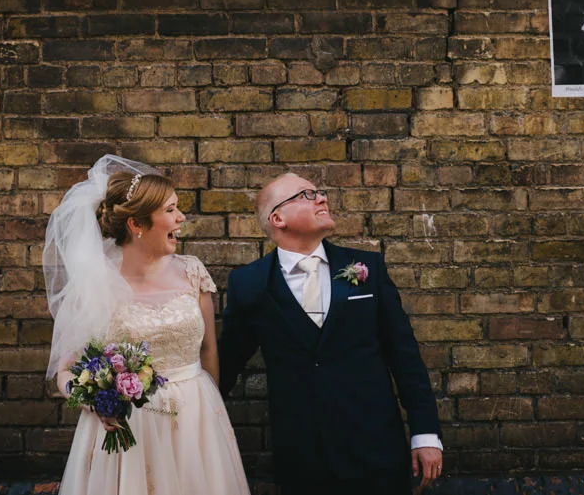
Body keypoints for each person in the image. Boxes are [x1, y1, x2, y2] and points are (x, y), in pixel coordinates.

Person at [218, 172, 443, 495]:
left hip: (377, 446)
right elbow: (228, 364)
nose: (321, 198)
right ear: (278, 218)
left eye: (319, 192)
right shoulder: (249, 284)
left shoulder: (368, 268)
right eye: (305, 195)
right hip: (302, 455)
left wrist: (425, 433)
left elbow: (404, 355)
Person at [45, 155, 249, 495]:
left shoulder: (192, 272)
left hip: (196, 421)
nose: (181, 217)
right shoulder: (95, 288)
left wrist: (211, 415)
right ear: (137, 224)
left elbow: (209, 350)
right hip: (129, 428)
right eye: (170, 209)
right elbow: (65, 371)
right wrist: (94, 402)